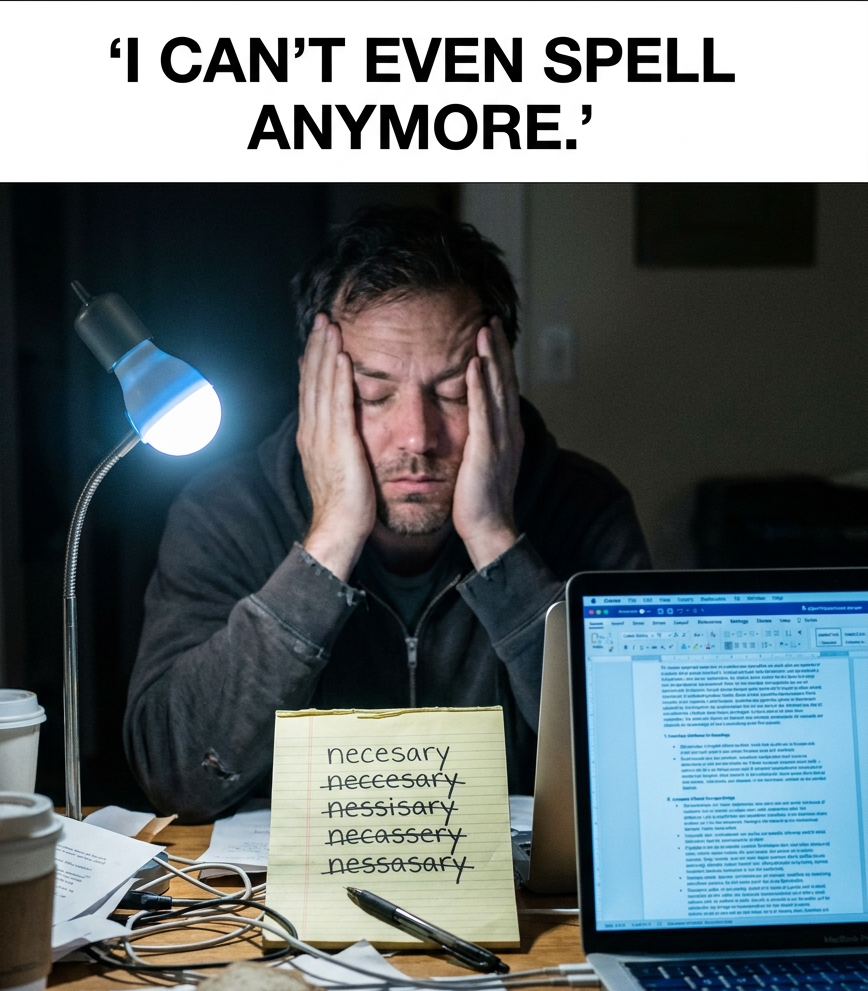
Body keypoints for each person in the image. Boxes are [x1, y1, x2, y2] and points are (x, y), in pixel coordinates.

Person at [124, 207, 649, 820]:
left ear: (504, 383)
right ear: (315, 387)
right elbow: (174, 774)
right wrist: (329, 544)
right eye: (375, 395)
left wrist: (495, 540)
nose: (417, 437)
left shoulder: (587, 506)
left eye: (453, 392)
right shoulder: (223, 513)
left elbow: (640, 770)